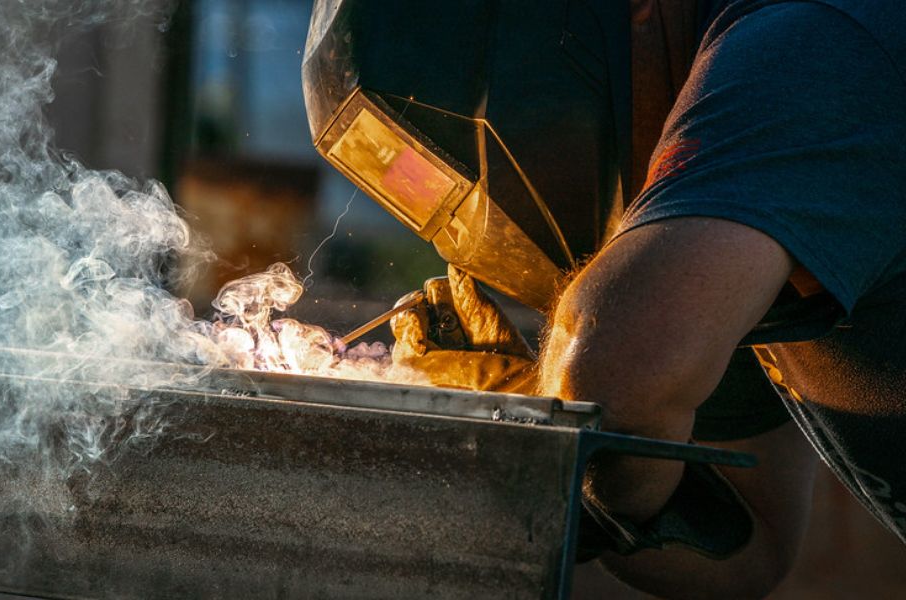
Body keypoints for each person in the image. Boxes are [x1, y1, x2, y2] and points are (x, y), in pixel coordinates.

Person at [386, 0, 906, 597]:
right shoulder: (737, 230)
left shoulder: (814, 43)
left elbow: (618, 370)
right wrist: (532, 413)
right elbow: (747, 553)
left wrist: (542, 439)